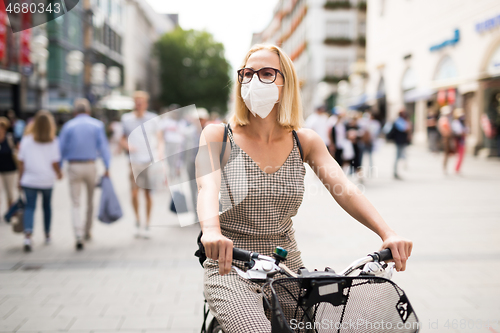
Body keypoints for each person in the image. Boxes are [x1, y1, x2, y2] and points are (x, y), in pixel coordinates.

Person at [196, 44, 413, 333]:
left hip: (286, 267)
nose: (254, 80)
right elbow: (206, 186)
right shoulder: (218, 135)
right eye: (247, 74)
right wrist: (211, 231)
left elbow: (344, 188)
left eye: (266, 73)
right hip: (230, 263)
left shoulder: (304, 141)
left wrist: (388, 233)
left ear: (285, 82)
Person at [59, 98, 111, 250]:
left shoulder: (68, 126)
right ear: (88, 111)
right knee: (90, 201)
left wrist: (59, 168)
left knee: (75, 202)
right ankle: (88, 230)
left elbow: (61, 148)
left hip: (74, 166)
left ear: (75, 112)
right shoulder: (97, 125)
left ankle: (78, 234)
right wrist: (107, 167)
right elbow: (104, 147)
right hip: (90, 165)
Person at [17, 111, 62, 252]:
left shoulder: (26, 140)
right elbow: (55, 162)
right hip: (47, 180)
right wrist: (59, 173)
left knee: (30, 207)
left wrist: (19, 178)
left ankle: (28, 236)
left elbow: (21, 162)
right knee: (47, 207)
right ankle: (47, 234)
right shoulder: (53, 141)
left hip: (29, 179)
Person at [121, 91, 157, 238]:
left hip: (148, 160)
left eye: (141, 102)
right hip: (134, 161)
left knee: (148, 193)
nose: (139, 104)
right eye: (137, 102)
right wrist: (127, 146)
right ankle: (137, 220)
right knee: (134, 193)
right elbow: (122, 138)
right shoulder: (126, 119)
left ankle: (147, 224)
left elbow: (158, 138)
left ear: (146, 104)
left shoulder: (152, 119)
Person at [0, 117, 18, 217]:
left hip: (10, 170)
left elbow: (19, 150)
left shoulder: (10, 138)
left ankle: (10, 213)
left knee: (10, 193)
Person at [437, 105, 454, 174]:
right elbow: (444, 130)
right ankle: (444, 167)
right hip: (445, 138)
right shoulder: (444, 119)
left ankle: (445, 167)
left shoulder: (445, 119)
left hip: (446, 137)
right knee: (446, 154)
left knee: (446, 154)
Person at [451, 108, 467, 174]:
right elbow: (457, 131)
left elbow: (466, 130)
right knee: (459, 154)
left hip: (462, 139)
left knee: (461, 154)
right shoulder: (455, 122)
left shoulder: (462, 122)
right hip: (458, 139)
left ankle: (458, 168)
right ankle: (456, 168)